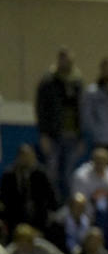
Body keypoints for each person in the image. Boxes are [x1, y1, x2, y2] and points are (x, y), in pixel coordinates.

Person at [34, 47, 84, 200]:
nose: (67, 63)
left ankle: (66, 206)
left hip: (72, 135)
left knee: (68, 174)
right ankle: (51, 204)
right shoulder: (48, 81)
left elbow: (81, 110)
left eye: (69, 61)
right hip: (53, 134)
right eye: (64, 60)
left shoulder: (77, 82)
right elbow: (41, 108)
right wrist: (43, 134)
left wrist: (81, 137)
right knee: (52, 172)